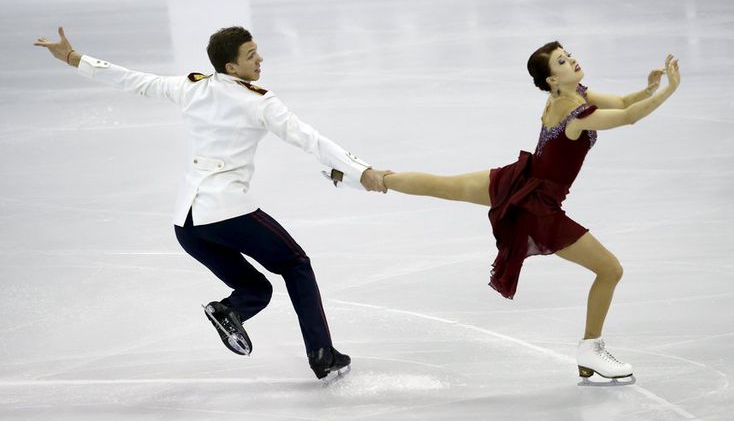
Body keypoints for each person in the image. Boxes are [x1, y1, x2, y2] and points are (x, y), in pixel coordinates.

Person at [34, 26, 390, 383]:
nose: (260, 59)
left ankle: (230, 310)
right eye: (251, 55)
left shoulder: (191, 86)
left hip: (187, 226)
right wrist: (362, 171)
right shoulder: (259, 101)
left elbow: (135, 81)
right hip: (228, 213)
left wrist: (71, 58)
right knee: (296, 265)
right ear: (231, 67)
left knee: (257, 289)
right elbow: (310, 140)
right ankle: (323, 356)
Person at [381, 41, 680, 382]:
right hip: (539, 206)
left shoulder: (573, 95)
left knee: (446, 186)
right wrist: (670, 90)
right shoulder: (575, 115)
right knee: (610, 270)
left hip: (521, 180)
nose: (572, 60)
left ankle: (375, 177)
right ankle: (590, 349)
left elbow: (626, 103)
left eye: (568, 55)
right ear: (553, 80)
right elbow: (627, 118)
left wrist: (649, 88)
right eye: (562, 61)